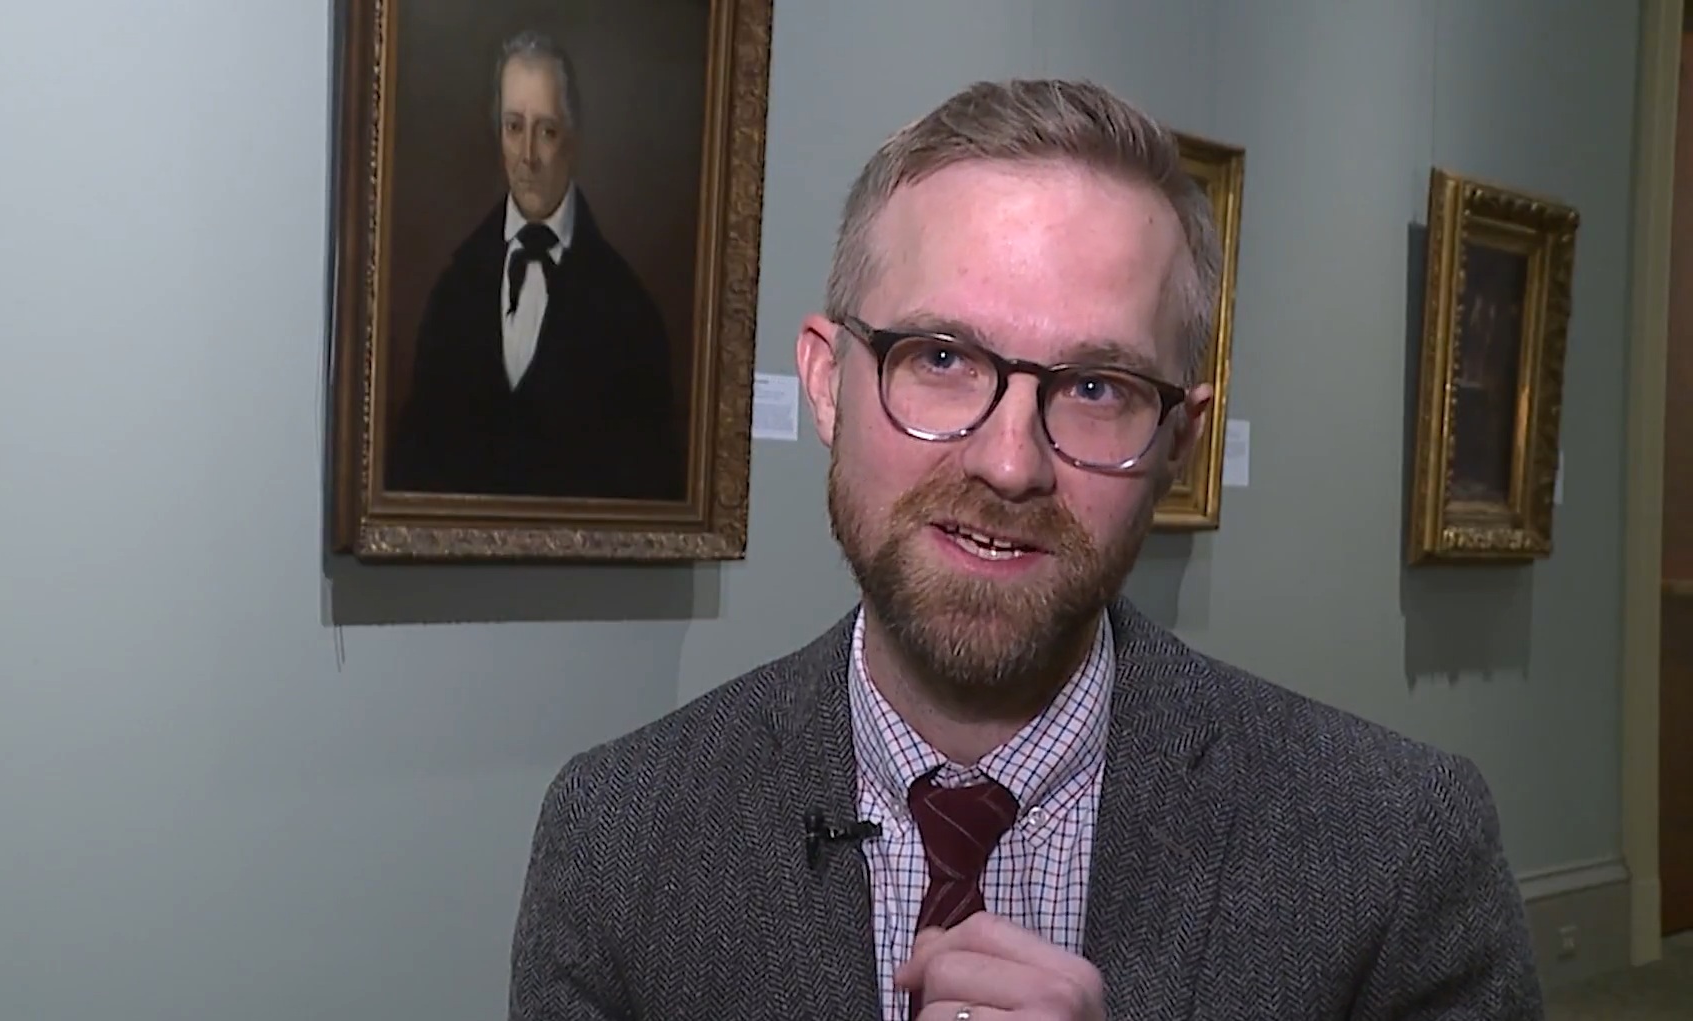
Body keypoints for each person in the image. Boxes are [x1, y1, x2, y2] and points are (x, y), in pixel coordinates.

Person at [508, 78, 1543, 1021]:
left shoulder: (1395, 849)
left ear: (1178, 441)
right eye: (943, 358)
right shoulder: (619, 836)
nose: (1010, 465)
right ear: (827, 382)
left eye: (1097, 388)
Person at [385, 30, 685, 502]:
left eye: (545, 130)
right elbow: (413, 467)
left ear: (573, 138)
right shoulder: (454, 291)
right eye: (512, 127)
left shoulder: (628, 311)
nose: (526, 156)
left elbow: (651, 487)